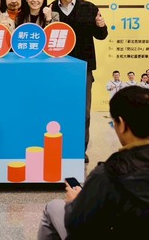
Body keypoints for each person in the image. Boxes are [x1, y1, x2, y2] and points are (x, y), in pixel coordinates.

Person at [37, 86, 149, 239]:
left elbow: (79, 226)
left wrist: (75, 203)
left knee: (54, 207)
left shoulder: (109, 173)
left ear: (122, 124)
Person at [50, 0, 108, 162]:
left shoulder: (89, 7)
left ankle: (79, 150)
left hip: (83, 67)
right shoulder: (50, 9)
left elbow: (101, 36)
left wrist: (101, 25)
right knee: (57, 107)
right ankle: (58, 147)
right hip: (57, 68)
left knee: (83, 111)